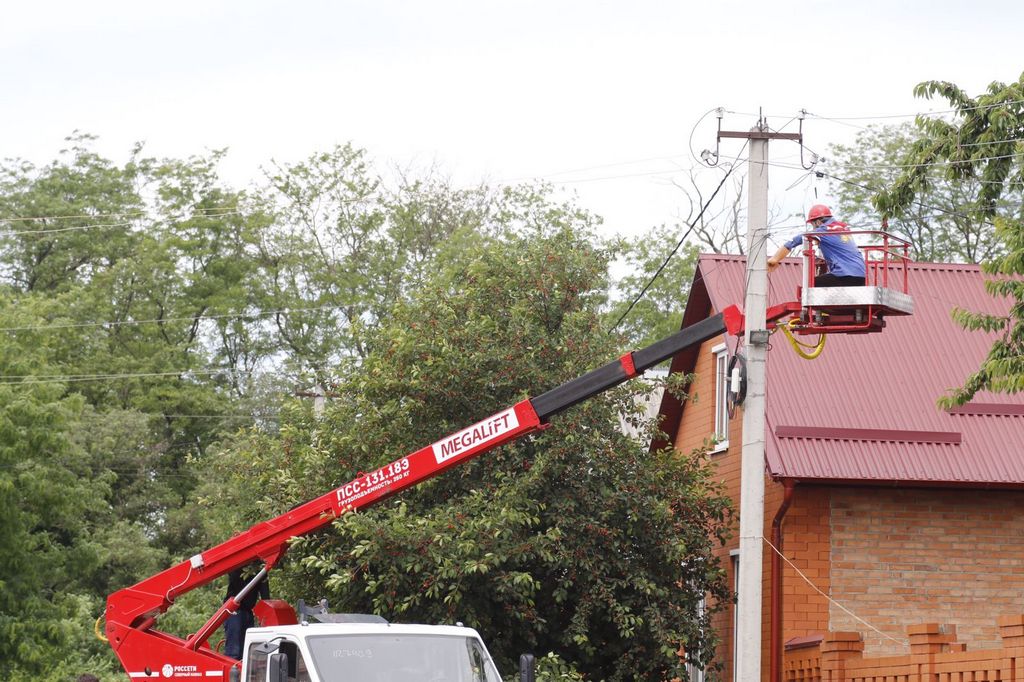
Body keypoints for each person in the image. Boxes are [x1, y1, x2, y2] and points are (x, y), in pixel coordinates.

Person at [768, 204, 866, 286]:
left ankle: (821, 309)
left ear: (818, 222)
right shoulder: (843, 227)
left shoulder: (824, 230)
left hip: (844, 276)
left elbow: (794, 241)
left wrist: (775, 259)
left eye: (813, 225)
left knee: (810, 284)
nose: (813, 228)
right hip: (862, 277)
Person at [224, 568, 270, 660]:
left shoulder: (260, 568)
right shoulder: (237, 566)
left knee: (247, 651)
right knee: (234, 652)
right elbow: (233, 576)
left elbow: (265, 595)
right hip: (234, 610)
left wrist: (267, 613)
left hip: (248, 611)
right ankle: (232, 671)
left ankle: (241, 671)